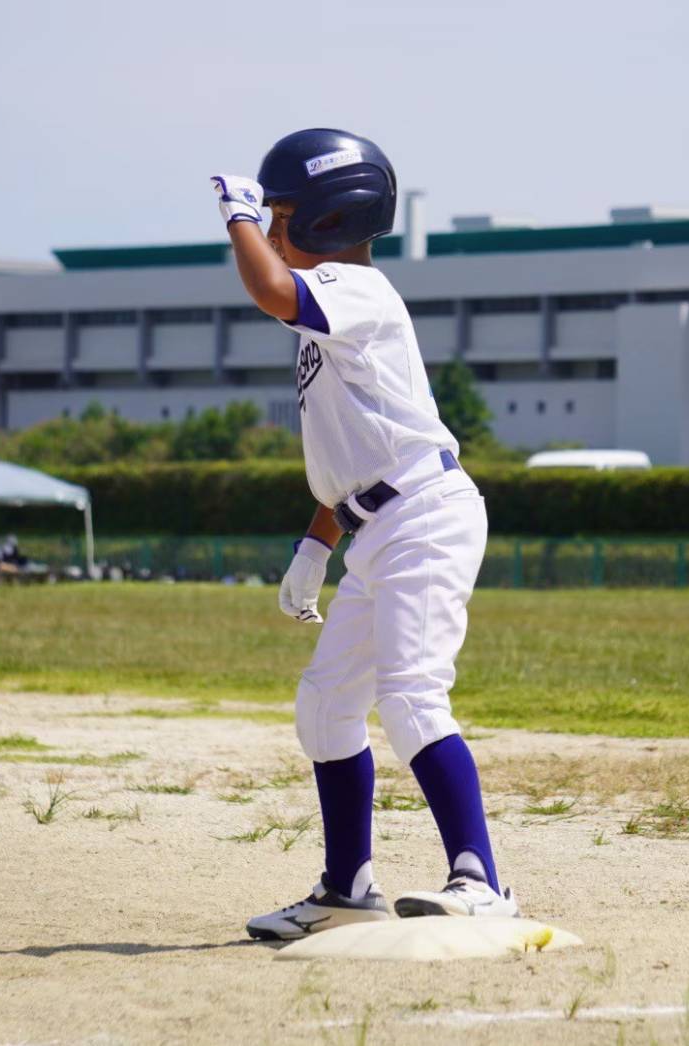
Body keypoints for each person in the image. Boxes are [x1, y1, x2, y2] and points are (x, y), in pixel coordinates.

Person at [212, 130, 518, 942]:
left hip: (424, 515)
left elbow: (271, 290)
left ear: (329, 218)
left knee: (412, 695)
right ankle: (346, 887)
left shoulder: (355, 289)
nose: (269, 230)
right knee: (325, 707)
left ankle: (483, 882)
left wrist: (236, 216)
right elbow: (350, 454)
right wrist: (316, 546)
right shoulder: (331, 306)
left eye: (280, 216)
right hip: (377, 524)